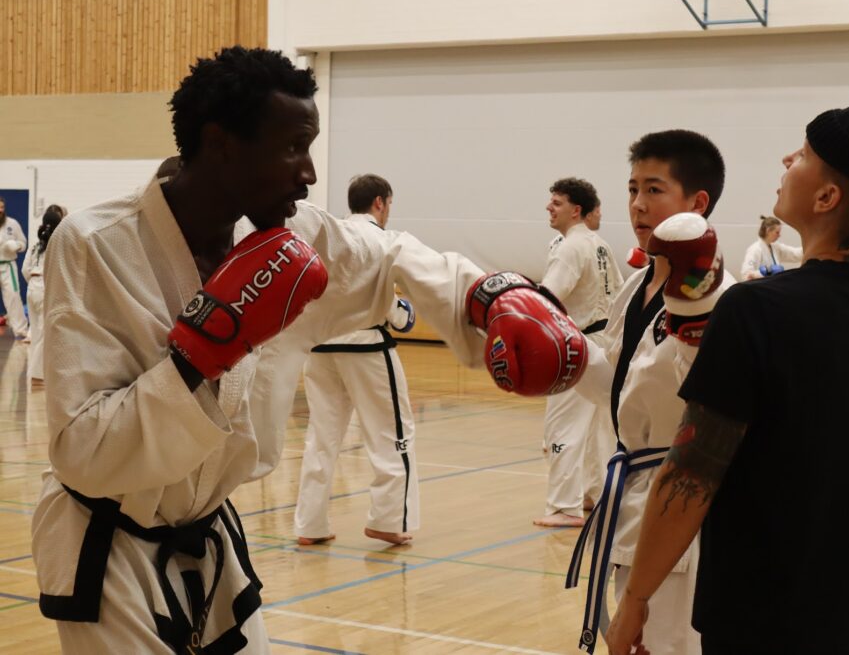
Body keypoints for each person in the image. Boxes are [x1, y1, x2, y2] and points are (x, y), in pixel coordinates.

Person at [31, 45, 584, 655]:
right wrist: (204, 352)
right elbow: (82, 451)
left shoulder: (292, 238)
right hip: (110, 550)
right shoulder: (97, 245)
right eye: (293, 147)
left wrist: (485, 295)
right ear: (221, 143)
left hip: (209, 533)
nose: (310, 172)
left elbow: (391, 253)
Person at [606, 105, 849, 655]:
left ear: (827, 198)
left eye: (805, 155)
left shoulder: (756, 310)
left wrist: (637, 599)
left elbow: (692, 472)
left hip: (767, 616)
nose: (788, 160)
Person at [567, 130, 734, 654]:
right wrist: (563, 358)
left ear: (697, 203)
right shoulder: (637, 288)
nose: (638, 205)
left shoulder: (724, 302)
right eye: (633, 188)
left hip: (684, 509)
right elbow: (622, 393)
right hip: (633, 497)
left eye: (655, 190)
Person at [294, 174, 421, 547]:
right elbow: (389, 304)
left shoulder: (329, 237)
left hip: (319, 347)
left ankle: (310, 524)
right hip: (366, 346)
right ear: (380, 203)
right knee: (392, 435)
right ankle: (388, 519)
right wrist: (404, 316)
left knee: (321, 437)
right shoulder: (384, 240)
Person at [536, 177, 624, 527]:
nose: (549, 207)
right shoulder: (599, 244)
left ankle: (563, 506)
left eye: (556, 202)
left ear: (576, 210)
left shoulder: (570, 246)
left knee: (562, 425)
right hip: (604, 343)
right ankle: (598, 495)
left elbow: (548, 299)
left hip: (577, 345)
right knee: (597, 429)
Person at [22, 207, 64, 385]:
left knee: (37, 333)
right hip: (45, 288)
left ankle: (35, 374)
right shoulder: (57, 243)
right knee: (44, 334)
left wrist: (33, 281)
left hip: (32, 287)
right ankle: (38, 376)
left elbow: (25, 269)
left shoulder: (35, 245)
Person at [739, 215, 802, 280]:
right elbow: (746, 274)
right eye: (777, 232)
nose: (779, 235)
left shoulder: (776, 247)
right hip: (760, 287)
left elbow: (794, 254)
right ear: (768, 231)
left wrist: (810, 248)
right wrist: (766, 272)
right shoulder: (755, 249)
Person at [0, 196, 28, 339]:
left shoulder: (12, 223)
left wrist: (16, 246)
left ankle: (21, 330)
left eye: (2, 207)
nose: (0, 210)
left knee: (13, 297)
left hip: (7, 266)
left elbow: (23, 242)